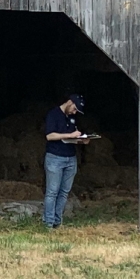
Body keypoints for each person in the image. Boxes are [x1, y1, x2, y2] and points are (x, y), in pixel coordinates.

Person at [42, 94, 88, 229]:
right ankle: (48, 222)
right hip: (55, 157)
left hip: (70, 157)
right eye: (74, 109)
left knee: (64, 192)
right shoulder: (53, 114)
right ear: (69, 102)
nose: (75, 112)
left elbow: (71, 137)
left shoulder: (71, 118)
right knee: (52, 191)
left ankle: (57, 221)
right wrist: (70, 135)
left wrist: (81, 140)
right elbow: (49, 136)